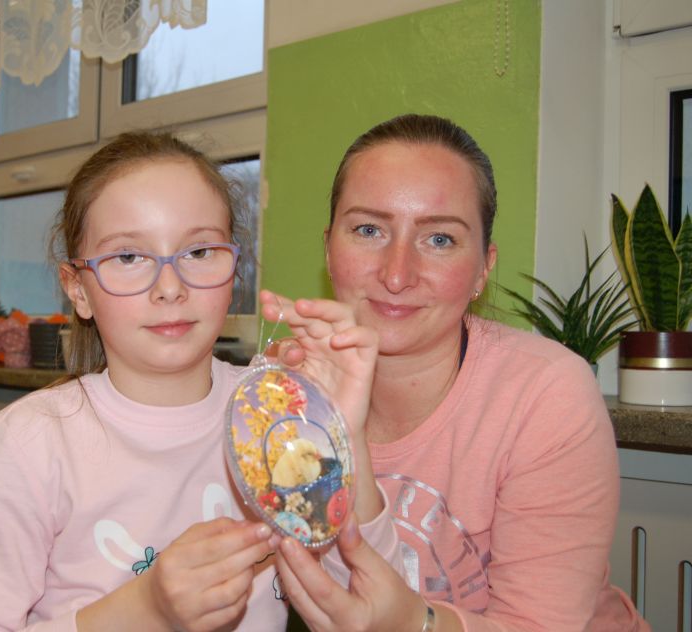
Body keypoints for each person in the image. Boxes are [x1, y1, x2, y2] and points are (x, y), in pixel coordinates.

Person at [0, 131, 393, 631]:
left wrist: (342, 437)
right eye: (128, 257)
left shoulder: (272, 416)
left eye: (199, 252)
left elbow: (373, 611)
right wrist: (145, 609)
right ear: (78, 289)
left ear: (234, 269)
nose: (170, 288)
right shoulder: (31, 443)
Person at [268, 114, 650, 631]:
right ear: (328, 249)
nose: (397, 274)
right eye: (369, 230)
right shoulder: (286, 391)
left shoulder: (544, 393)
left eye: (440, 239)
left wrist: (412, 623)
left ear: (483, 268)